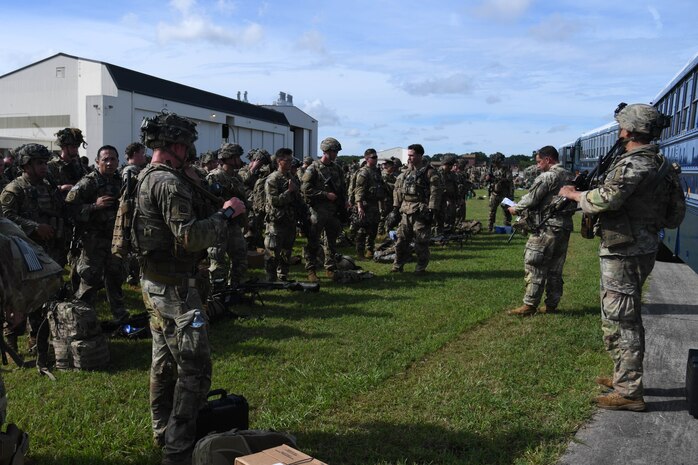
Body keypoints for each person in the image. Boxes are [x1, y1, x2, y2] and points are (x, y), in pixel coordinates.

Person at [133, 110, 245, 465]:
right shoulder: (168, 183)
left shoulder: (150, 175)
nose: (191, 152)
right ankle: (179, 448)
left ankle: (161, 430)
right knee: (194, 368)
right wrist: (227, 214)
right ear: (176, 145)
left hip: (156, 283)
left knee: (164, 362)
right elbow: (189, 237)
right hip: (176, 290)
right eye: (187, 146)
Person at [558, 103, 673, 412]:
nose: (620, 131)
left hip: (626, 248)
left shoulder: (635, 164)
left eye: (622, 126)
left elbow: (605, 200)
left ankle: (630, 391)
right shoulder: (657, 162)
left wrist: (573, 195)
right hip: (635, 245)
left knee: (624, 319)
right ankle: (623, 375)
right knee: (616, 313)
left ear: (629, 130)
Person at [0, 143, 67, 366]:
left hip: (49, 249)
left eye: (45, 163)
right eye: (39, 163)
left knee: (43, 295)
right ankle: (11, 344)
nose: (44, 167)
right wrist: (34, 227)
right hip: (25, 253)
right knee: (21, 295)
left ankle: (36, 340)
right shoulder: (14, 189)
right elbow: (6, 218)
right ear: (25, 165)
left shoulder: (49, 186)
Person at [507, 146, 575, 316]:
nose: (537, 166)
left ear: (548, 159)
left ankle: (529, 305)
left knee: (535, 263)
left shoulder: (548, 176)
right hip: (564, 226)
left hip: (546, 226)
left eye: (539, 162)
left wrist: (515, 208)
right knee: (555, 268)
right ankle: (552, 304)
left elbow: (532, 199)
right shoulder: (568, 175)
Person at [65, 145, 128, 322]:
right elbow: (69, 208)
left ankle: (120, 316)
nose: (109, 163)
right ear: (97, 161)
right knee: (89, 281)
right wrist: (94, 206)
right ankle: (83, 320)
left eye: (113, 159)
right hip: (93, 242)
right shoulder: (88, 183)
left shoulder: (120, 181)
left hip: (114, 240)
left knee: (115, 278)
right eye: (105, 159)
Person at [301, 137, 346, 282]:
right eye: (334, 151)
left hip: (333, 211)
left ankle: (330, 267)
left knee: (331, 241)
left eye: (336, 151)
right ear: (326, 151)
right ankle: (311, 269)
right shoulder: (313, 168)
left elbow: (342, 188)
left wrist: (344, 202)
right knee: (313, 241)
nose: (336, 154)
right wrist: (325, 195)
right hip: (317, 210)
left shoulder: (336, 168)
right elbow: (306, 190)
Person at [391, 144, 442, 273]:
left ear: (420, 155)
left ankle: (420, 267)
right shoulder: (406, 172)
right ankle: (397, 266)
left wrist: (432, 209)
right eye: (408, 155)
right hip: (405, 210)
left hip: (421, 210)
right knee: (401, 240)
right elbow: (397, 190)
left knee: (421, 241)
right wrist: (395, 208)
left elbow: (435, 192)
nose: (409, 158)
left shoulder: (429, 172)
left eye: (412, 155)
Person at [205, 143, 249, 289]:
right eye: (236, 157)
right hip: (219, 224)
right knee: (217, 261)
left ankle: (235, 289)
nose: (239, 160)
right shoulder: (214, 177)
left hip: (234, 225)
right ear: (228, 158)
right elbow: (210, 205)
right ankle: (217, 293)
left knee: (240, 257)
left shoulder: (236, 178)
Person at [264, 148, 301, 281]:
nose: (291, 162)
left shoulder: (291, 177)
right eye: (288, 160)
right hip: (277, 221)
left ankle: (283, 275)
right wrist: (289, 192)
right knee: (273, 251)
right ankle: (271, 277)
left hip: (290, 219)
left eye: (291, 160)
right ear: (279, 161)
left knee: (287, 250)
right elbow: (274, 201)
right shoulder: (272, 179)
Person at [353, 148, 386, 259]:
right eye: (373, 157)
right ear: (367, 159)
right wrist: (359, 207)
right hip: (365, 205)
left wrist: (382, 203)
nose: (376, 159)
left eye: (376, 157)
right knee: (362, 230)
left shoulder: (376, 171)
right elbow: (359, 190)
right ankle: (360, 252)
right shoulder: (363, 172)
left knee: (373, 229)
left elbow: (380, 188)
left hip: (374, 204)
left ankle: (370, 250)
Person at [48, 127, 89, 196]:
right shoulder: (51, 166)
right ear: (64, 146)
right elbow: (43, 189)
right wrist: (62, 188)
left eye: (77, 146)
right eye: (73, 147)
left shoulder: (79, 166)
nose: (76, 150)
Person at [486, 153, 513, 231]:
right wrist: (488, 178)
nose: (495, 164)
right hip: (494, 193)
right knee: (492, 212)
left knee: (507, 212)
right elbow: (486, 180)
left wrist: (498, 179)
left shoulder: (506, 169)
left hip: (504, 194)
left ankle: (507, 227)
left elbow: (509, 180)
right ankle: (490, 228)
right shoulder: (492, 169)